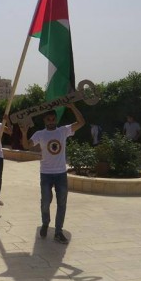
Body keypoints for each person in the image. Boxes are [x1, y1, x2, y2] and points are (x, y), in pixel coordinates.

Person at [20, 103, 85, 244]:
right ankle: (45, 223)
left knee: (62, 203)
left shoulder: (63, 131)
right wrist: (24, 133)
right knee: (45, 202)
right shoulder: (40, 134)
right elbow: (26, 145)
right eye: (48, 119)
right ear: (44, 121)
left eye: (53, 119)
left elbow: (81, 122)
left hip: (61, 173)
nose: (51, 121)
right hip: (46, 174)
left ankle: (58, 231)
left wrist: (72, 107)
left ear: (56, 119)